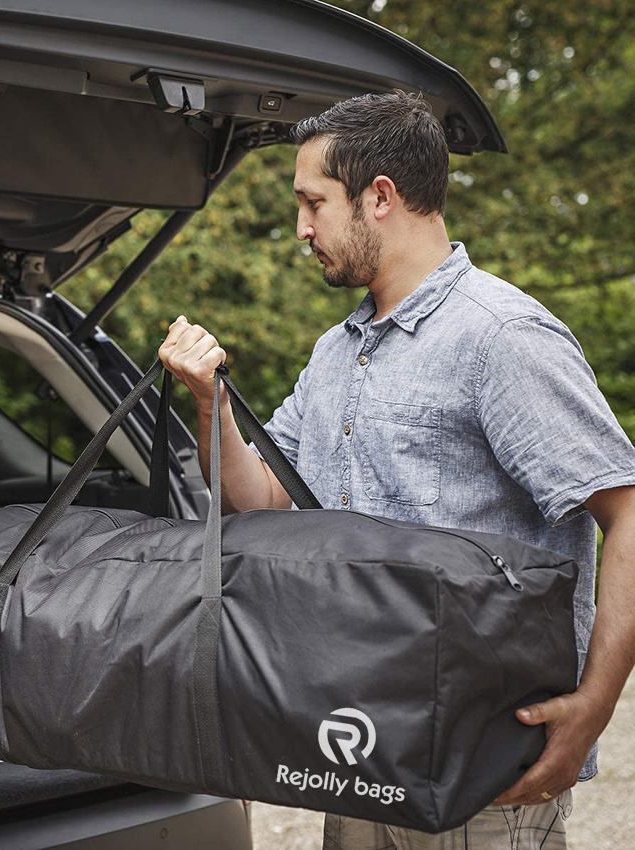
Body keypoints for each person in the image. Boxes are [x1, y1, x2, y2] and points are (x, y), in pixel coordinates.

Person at [157, 91, 635, 849]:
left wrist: (596, 704)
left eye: (313, 203)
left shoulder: (502, 338)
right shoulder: (334, 352)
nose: (301, 229)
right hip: (356, 750)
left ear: (379, 196)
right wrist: (209, 401)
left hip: (483, 778)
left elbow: (628, 512)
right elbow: (260, 499)